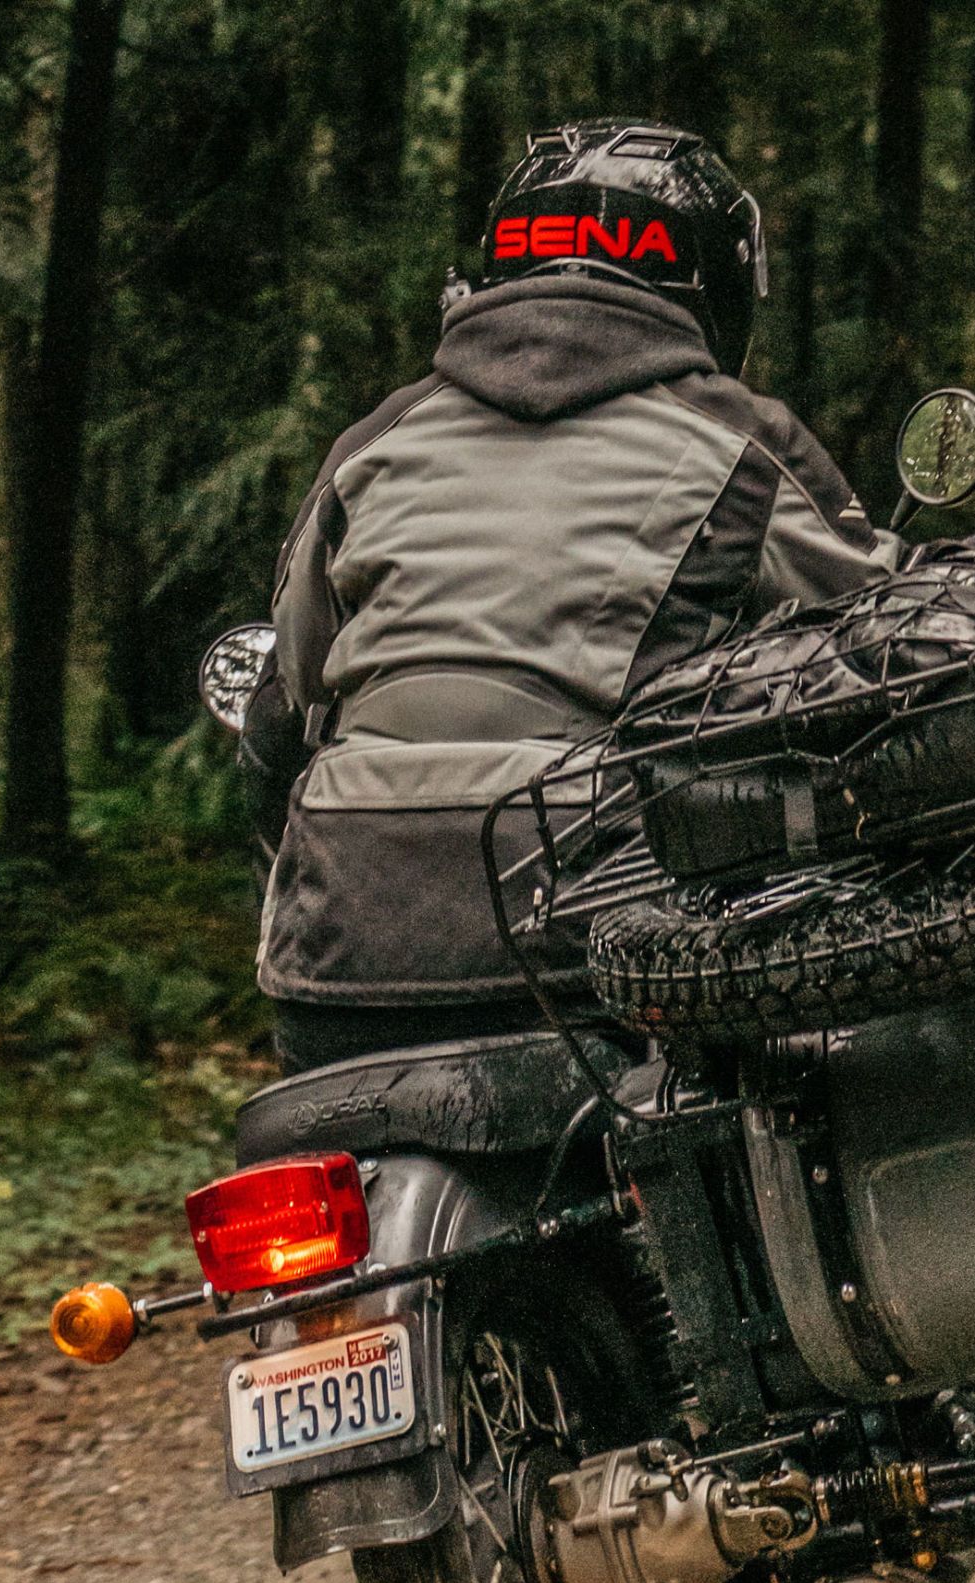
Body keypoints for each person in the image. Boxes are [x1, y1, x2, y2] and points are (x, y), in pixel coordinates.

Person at [242, 120, 896, 1072]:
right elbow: (882, 636)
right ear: (709, 282)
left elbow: (293, 688)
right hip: (596, 963)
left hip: (334, 960)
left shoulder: (377, 438)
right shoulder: (741, 439)